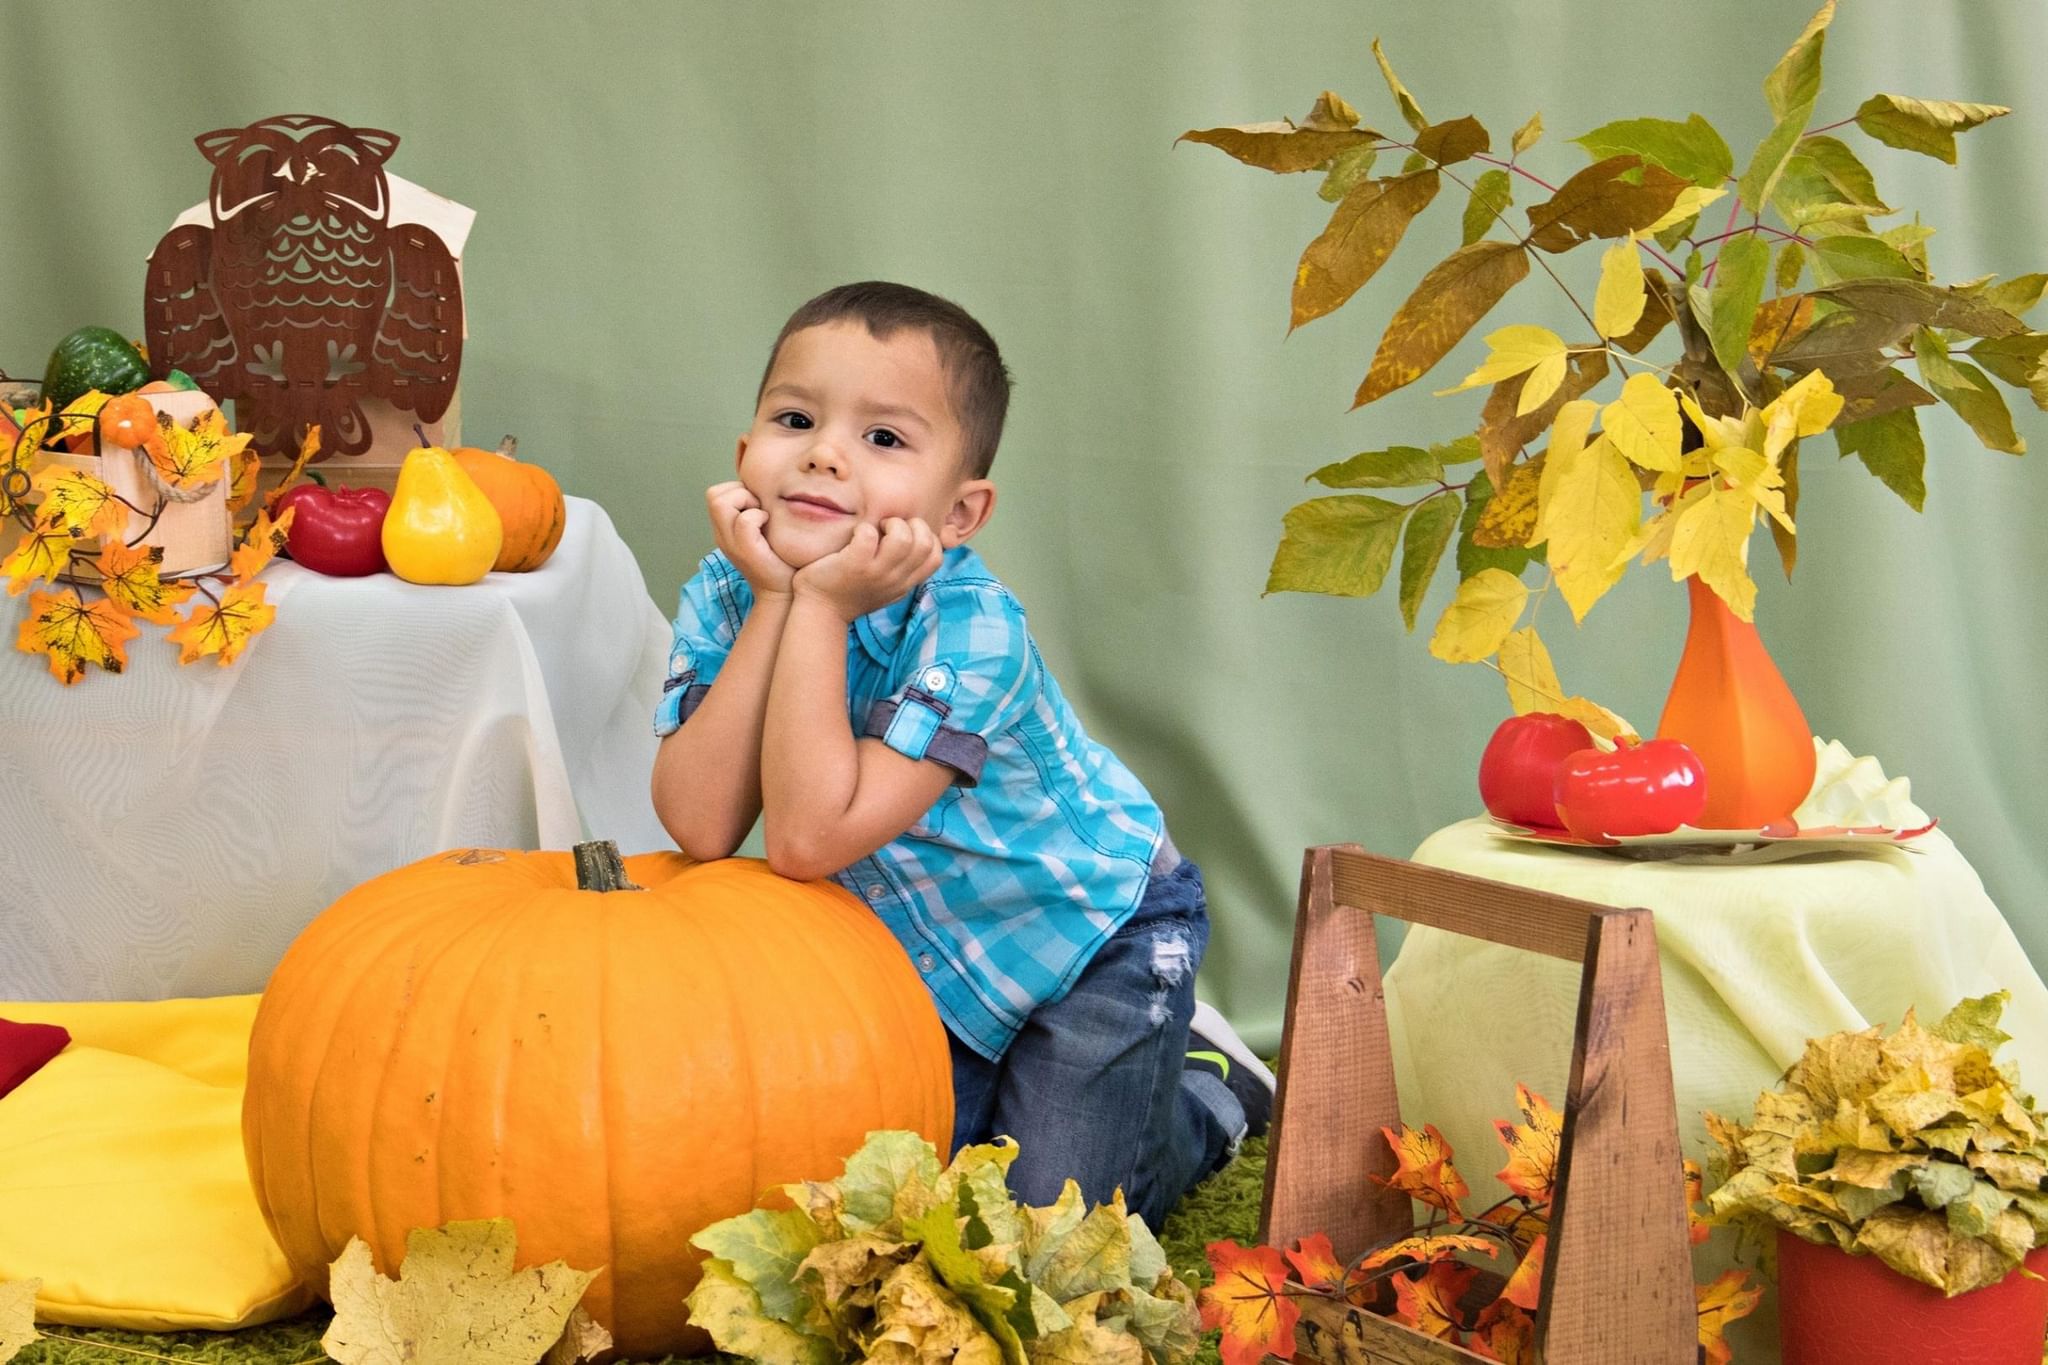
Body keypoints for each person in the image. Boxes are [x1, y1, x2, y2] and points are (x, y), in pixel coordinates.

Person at [648, 281, 1274, 1227]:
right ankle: (1085, 1082)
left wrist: (816, 608)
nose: (824, 452)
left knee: (1045, 1220)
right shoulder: (731, 592)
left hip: (1091, 931)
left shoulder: (975, 629)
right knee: (914, 1198)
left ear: (958, 514)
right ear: (745, 456)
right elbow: (700, 823)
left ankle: (1209, 1091)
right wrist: (777, 603)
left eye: (884, 439)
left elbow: (807, 840)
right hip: (935, 950)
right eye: (796, 418)